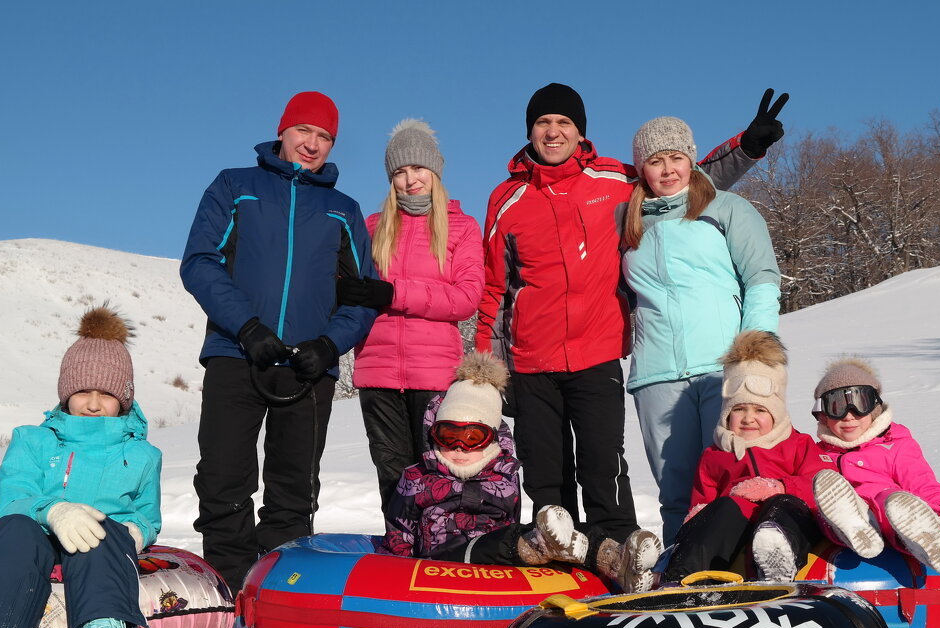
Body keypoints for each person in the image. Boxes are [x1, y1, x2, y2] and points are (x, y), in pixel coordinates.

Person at [475, 83, 787, 547]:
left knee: (608, 467)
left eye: (564, 123)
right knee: (549, 474)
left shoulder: (614, 183)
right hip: (548, 359)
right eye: (544, 123)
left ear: (581, 133)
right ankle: (560, 554)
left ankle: (621, 550)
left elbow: (686, 180)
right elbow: (494, 288)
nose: (554, 132)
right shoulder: (508, 199)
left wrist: (747, 145)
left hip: (605, 353)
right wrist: (487, 368)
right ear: (530, 132)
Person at [180, 91, 378, 591]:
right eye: (304, 132)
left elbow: (363, 295)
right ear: (283, 131)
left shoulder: (343, 210)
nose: (311, 144)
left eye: (324, 137)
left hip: (309, 370)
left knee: (294, 487)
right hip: (235, 354)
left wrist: (330, 346)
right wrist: (247, 327)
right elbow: (200, 262)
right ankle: (228, 588)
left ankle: (279, 592)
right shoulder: (235, 186)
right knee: (225, 478)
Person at [0, 306, 161, 628]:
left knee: (99, 532)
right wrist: (54, 511)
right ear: (66, 392)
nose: (94, 404)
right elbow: (13, 495)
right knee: (13, 530)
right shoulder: (32, 440)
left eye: (107, 394)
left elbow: (147, 514)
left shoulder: (143, 454)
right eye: (84, 392)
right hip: (34, 531)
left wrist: (132, 532)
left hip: (100, 542)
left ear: (125, 398)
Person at [621, 116, 783, 545]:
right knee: (675, 494)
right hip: (655, 374)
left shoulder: (727, 208)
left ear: (692, 161)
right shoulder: (627, 222)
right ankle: (679, 575)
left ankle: (744, 571)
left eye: (677, 157)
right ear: (642, 169)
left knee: (736, 482)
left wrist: (756, 352)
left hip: (721, 368)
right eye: (656, 161)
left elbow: (762, 279)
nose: (668, 169)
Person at [381, 352, 663, 593]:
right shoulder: (418, 478)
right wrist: (402, 572)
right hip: (444, 560)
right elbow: (399, 529)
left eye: (471, 438)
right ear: (435, 434)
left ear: (491, 439)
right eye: (448, 435)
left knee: (553, 532)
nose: (458, 447)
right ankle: (540, 545)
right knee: (504, 541)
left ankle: (617, 558)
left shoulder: (501, 476)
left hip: (498, 563)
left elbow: (509, 518)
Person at [338, 119, 484, 510]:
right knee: (393, 479)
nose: (410, 180)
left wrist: (393, 292)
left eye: (418, 169)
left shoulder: (462, 228)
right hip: (377, 374)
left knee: (439, 476)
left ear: (435, 171)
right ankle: (401, 560)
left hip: (436, 376)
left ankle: (440, 560)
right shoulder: (370, 228)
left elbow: (467, 297)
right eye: (400, 172)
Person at [660, 331, 823, 582]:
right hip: (734, 533)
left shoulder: (798, 444)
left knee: (782, 506)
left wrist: (779, 487)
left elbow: (818, 485)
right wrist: (699, 518)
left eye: (760, 410)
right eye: (739, 409)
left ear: (776, 413)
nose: (748, 418)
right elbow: (703, 498)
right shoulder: (716, 454)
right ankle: (682, 578)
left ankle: (777, 564)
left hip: (786, 525)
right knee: (722, 508)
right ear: (726, 413)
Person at [808, 358, 940, 575]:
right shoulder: (816, 454)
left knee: (890, 499)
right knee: (827, 501)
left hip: (888, 517)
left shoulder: (895, 444)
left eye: (860, 404)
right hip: (843, 527)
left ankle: (926, 537)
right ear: (823, 415)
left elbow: (921, 482)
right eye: (836, 406)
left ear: (875, 408)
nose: (849, 415)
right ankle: (854, 526)